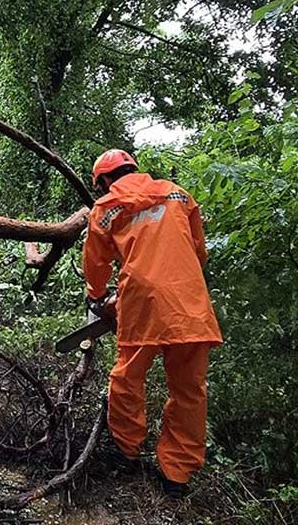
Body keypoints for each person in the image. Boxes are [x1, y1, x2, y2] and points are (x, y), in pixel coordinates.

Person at [81, 149, 222, 496]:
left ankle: (126, 452)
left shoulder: (104, 209)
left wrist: (97, 295)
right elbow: (198, 251)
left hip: (142, 304)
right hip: (190, 302)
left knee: (127, 378)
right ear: (132, 168)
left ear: (103, 181)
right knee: (189, 391)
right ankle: (177, 475)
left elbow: (96, 266)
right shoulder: (178, 193)